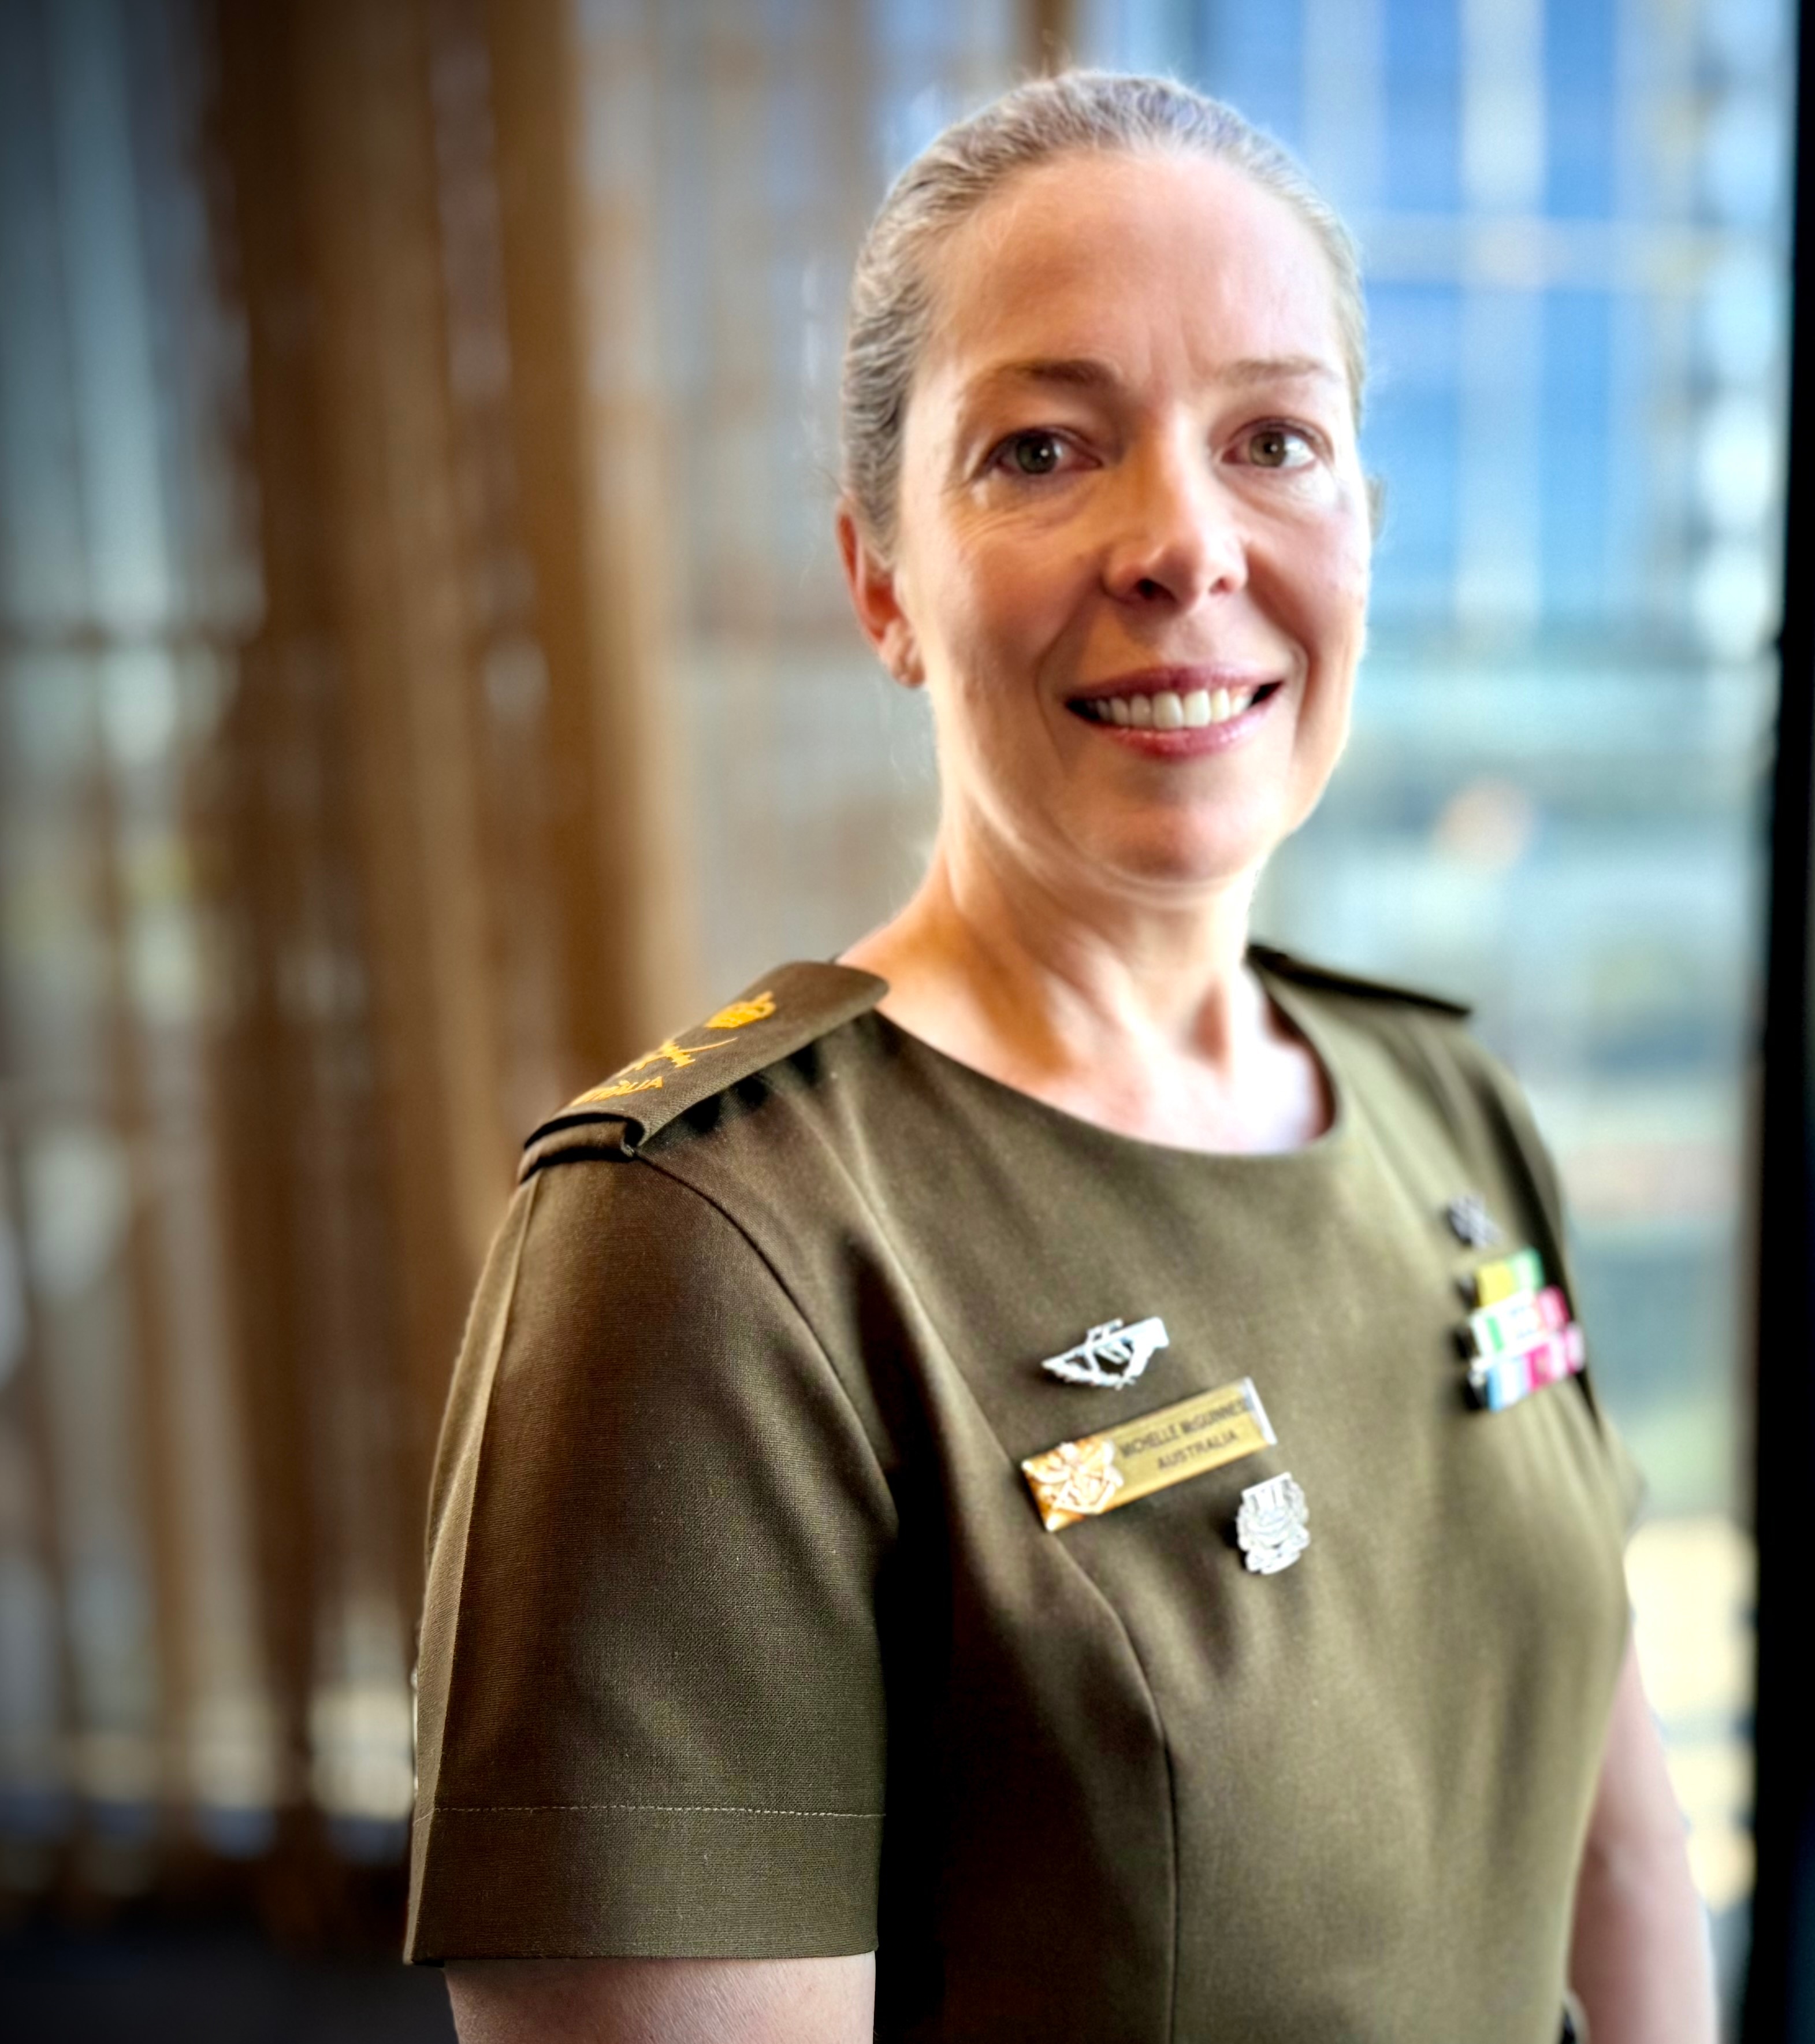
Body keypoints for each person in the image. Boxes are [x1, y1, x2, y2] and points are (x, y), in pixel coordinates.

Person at [406, 71, 1716, 2044]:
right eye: (1042, 450)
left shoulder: (1455, 1114)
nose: (1186, 540)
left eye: (1277, 437)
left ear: (1361, 529)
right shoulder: (705, 1247)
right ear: (880, 582)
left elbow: (1610, 1863)